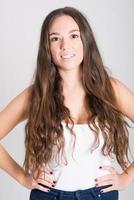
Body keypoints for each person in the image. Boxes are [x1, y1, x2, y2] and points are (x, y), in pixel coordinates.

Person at [0, 6, 134, 200]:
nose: (65, 45)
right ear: (48, 48)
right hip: (49, 196)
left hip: (100, 196)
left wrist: (127, 178)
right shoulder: (38, 94)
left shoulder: (110, 89)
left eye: (73, 36)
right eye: (55, 38)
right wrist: (23, 177)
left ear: (85, 40)